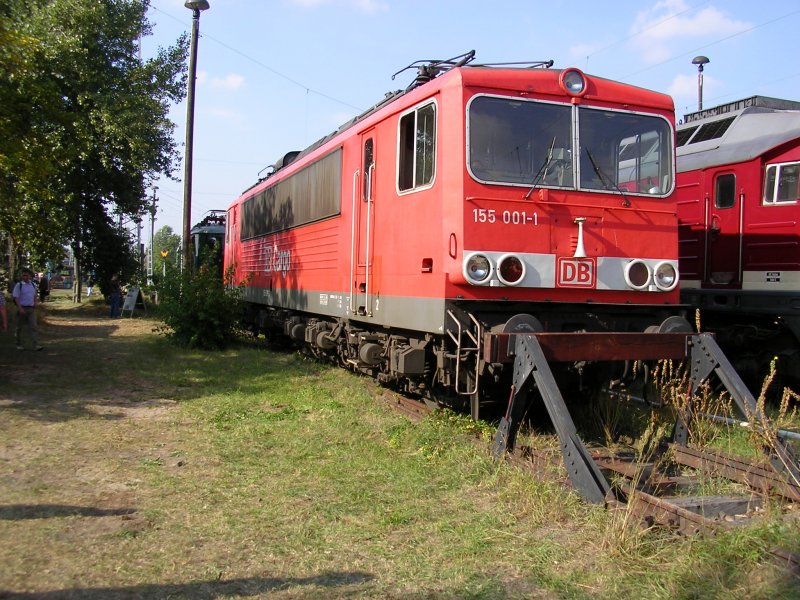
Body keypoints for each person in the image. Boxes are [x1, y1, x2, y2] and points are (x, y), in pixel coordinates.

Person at [12, 267, 42, 351]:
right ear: (22, 276)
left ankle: (36, 345)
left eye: (27, 275)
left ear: (30, 276)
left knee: (34, 327)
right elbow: (16, 298)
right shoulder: (19, 285)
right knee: (19, 327)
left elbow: (34, 296)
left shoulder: (33, 285)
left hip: (31, 309)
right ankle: (18, 344)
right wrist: (20, 308)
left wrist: (35, 303)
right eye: (24, 275)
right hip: (22, 308)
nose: (25, 277)